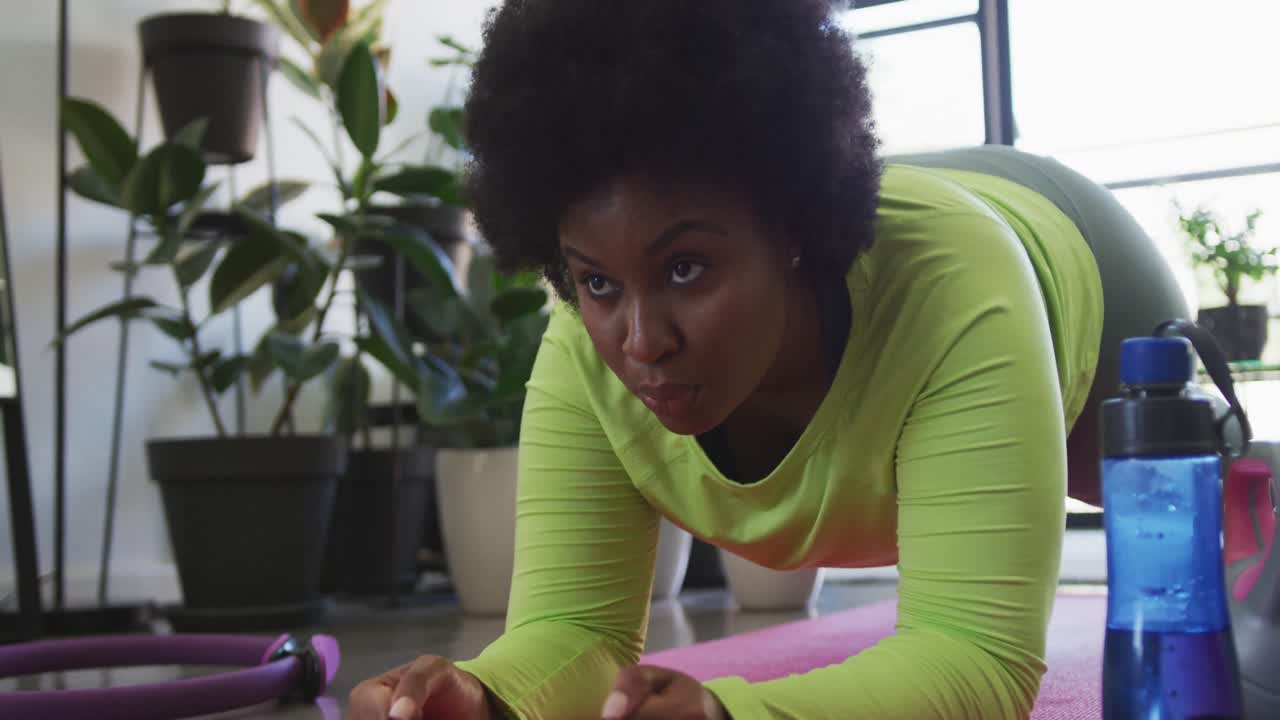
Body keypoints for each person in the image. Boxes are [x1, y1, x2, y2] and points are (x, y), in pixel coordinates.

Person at [348, 1, 1187, 718]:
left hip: (1070, 261)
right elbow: (577, 631)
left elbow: (976, 660)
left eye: (684, 269)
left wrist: (729, 710)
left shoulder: (957, 294)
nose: (641, 343)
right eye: (597, 280)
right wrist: (483, 695)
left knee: (1207, 544)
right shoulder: (585, 343)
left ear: (790, 227)